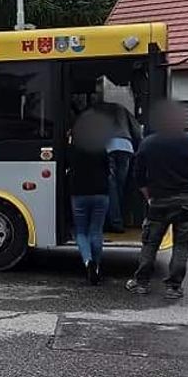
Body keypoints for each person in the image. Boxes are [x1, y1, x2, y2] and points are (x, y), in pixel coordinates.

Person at [126, 101, 188, 300]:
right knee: (181, 247)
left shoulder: (148, 143)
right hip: (186, 202)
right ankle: (173, 287)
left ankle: (141, 283)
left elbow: (138, 176)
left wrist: (149, 197)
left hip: (159, 201)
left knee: (150, 244)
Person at [90, 82, 142, 233]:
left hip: (108, 147)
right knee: (120, 186)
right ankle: (121, 219)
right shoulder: (121, 109)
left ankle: (115, 222)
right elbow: (137, 131)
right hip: (126, 147)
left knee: (110, 188)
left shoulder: (96, 111)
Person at [69, 111, 112, 285]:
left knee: (80, 231)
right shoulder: (99, 147)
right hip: (101, 193)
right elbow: (107, 167)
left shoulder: (72, 149)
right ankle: (97, 267)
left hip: (79, 193)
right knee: (96, 231)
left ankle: (88, 262)